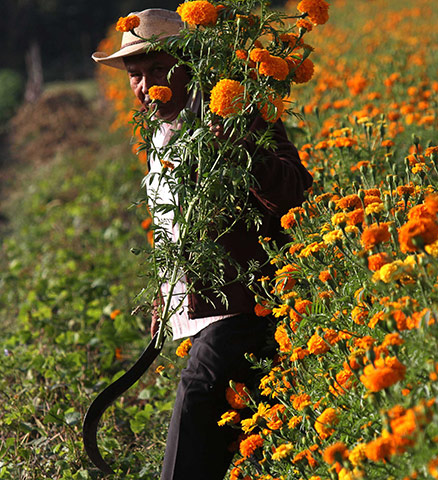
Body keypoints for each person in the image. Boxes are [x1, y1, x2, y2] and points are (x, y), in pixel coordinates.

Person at [93, 9, 312, 480]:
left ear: (189, 66)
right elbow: (175, 227)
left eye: (156, 70)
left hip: (245, 309)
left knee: (195, 411)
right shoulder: (158, 134)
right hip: (202, 313)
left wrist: (242, 149)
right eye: (136, 75)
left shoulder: (233, 116)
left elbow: (296, 192)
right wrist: (165, 293)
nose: (145, 85)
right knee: (242, 441)